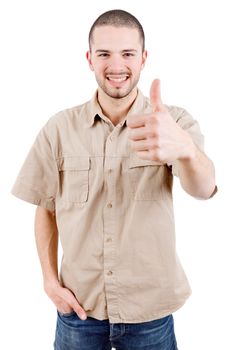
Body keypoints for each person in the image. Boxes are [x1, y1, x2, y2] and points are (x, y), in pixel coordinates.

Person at [11, 9, 217, 350]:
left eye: (127, 53)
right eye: (104, 54)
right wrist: (49, 281)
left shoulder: (171, 122)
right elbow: (46, 208)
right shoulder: (59, 128)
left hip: (150, 316)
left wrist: (186, 151)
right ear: (90, 59)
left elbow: (204, 188)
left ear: (143, 58)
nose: (116, 65)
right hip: (79, 312)